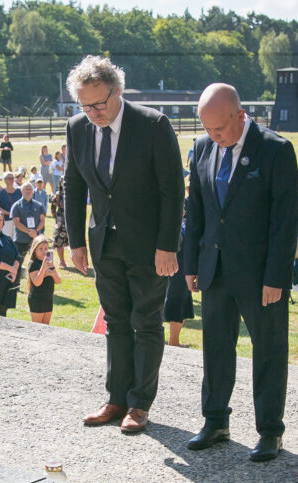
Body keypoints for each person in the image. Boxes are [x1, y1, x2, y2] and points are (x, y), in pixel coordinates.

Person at [64, 55, 184, 434]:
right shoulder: (77, 128)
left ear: (118, 91)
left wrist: (168, 245)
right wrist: (76, 241)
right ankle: (115, 398)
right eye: (85, 105)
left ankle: (139, 404)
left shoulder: (152, 124)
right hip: (104, 243)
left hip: (149, 247)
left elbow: (172, 189)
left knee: (146, 322)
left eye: (100, 103)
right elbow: (73, 185)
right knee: (115, 321)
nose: (94, 112)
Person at [183, 83, 298, 461]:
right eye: (207, 129)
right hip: (214, 269)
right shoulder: (202, 149)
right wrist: (190, 264)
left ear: (240, 115)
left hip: (260, 274)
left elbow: (285, 221)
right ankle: (215, 419)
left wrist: (276, 277)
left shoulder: (275, 150)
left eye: (219, 129)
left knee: (267, 349)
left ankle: (269, 431)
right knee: (215, 348)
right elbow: (196, 211)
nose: (213, 137)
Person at [164, 194, 193, 347]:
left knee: (179, 298)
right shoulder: (183, 202)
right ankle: (170, 340)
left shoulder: (194, 203)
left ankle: (173, 340)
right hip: (171, 254)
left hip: (184, 258)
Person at [26, 236, 61, 324]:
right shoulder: (33, 264)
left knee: (46, 326)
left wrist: (52, 272)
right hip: (37, 299)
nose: (44, 251)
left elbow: (57, 281)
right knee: (37, 327)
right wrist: (43, 269)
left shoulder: (49, 262)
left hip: (48, 298)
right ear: (35, 250)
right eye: (40, 249)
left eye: (46, 248)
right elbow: (37, 283)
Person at [10, 182, 45, 266]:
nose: (28, 191)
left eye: (30, 189)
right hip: (21, 240)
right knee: (17, 263)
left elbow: (42, 221)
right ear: (21, 191)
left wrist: (35, 231)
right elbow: (16, 223)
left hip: (36, 240)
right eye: (26, 189)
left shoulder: (39, 205)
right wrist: (29, 231)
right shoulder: (16, 206)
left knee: (37, 264)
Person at [50, 178, 69, 268]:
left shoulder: (72, 192)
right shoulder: (58, 195)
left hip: (71, 219)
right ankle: (62, 261)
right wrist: (57, 218)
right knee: (59, 240)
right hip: (61, 220)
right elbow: (53, 207)